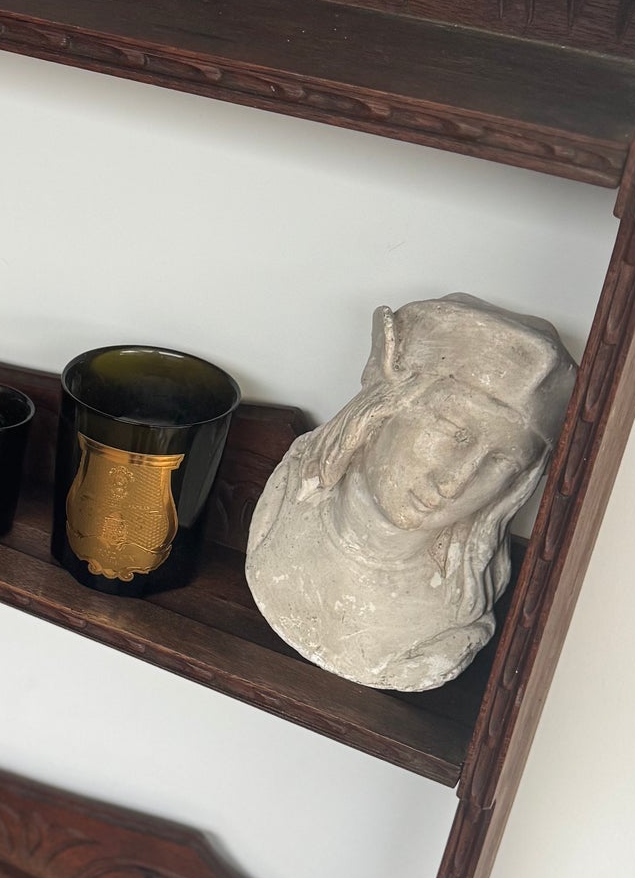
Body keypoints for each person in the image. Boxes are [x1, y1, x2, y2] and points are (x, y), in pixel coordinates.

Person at [246, 294, 576, 693]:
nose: (456, 482)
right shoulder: (286, 498)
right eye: (456, 432)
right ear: (384, 408)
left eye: (501, 463)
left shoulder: (446, 632)